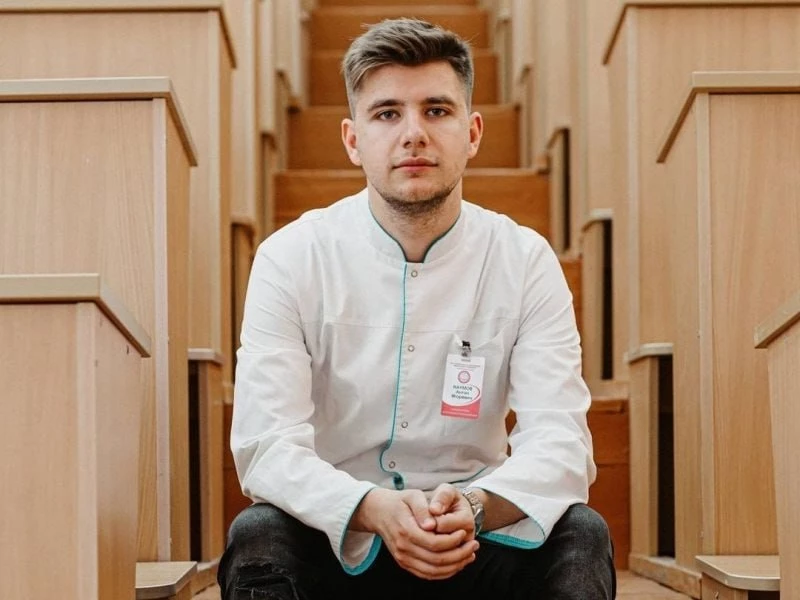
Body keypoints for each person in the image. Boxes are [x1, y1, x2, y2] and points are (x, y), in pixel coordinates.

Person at [219, 17, 616, 600]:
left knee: (582, 533)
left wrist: (475, 507)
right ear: (353, 139)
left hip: (473, 539)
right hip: (344, 538)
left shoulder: (525, 259)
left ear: (472, 131)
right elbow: (266, 445)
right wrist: (372, 508)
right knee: (258, 536)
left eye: (436, 110)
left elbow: (561, 441)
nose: (413, 134)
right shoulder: (291, 257)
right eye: (387, 114)